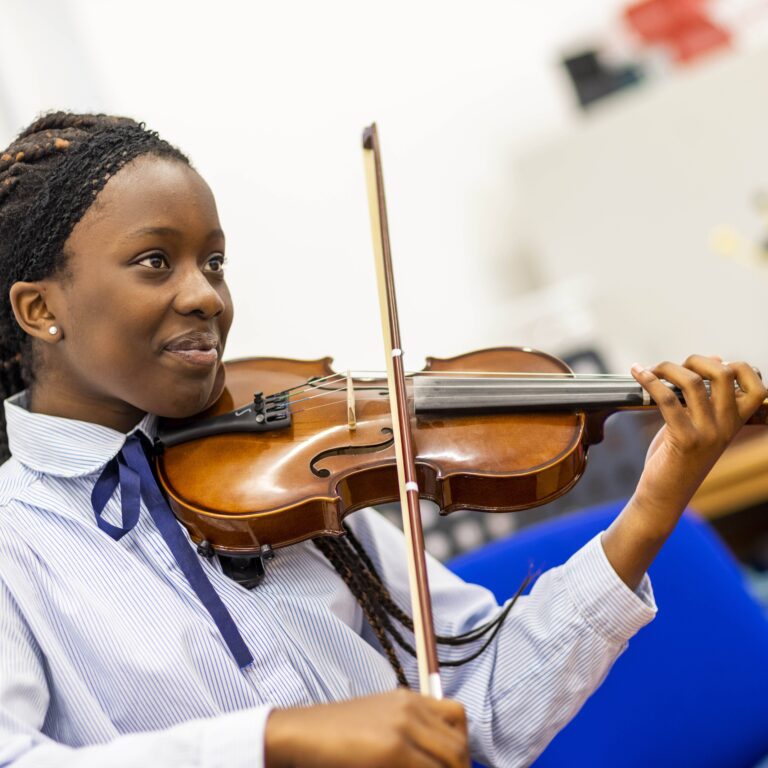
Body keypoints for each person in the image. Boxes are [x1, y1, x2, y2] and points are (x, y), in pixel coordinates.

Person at [0, 112, 764, 768]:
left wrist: (658, 497)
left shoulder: (290, 466)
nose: (206, 295)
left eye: (215, 262)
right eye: (156, 261)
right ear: (40, 309)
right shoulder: (16, 544)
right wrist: (277, 740)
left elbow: (482, 711)